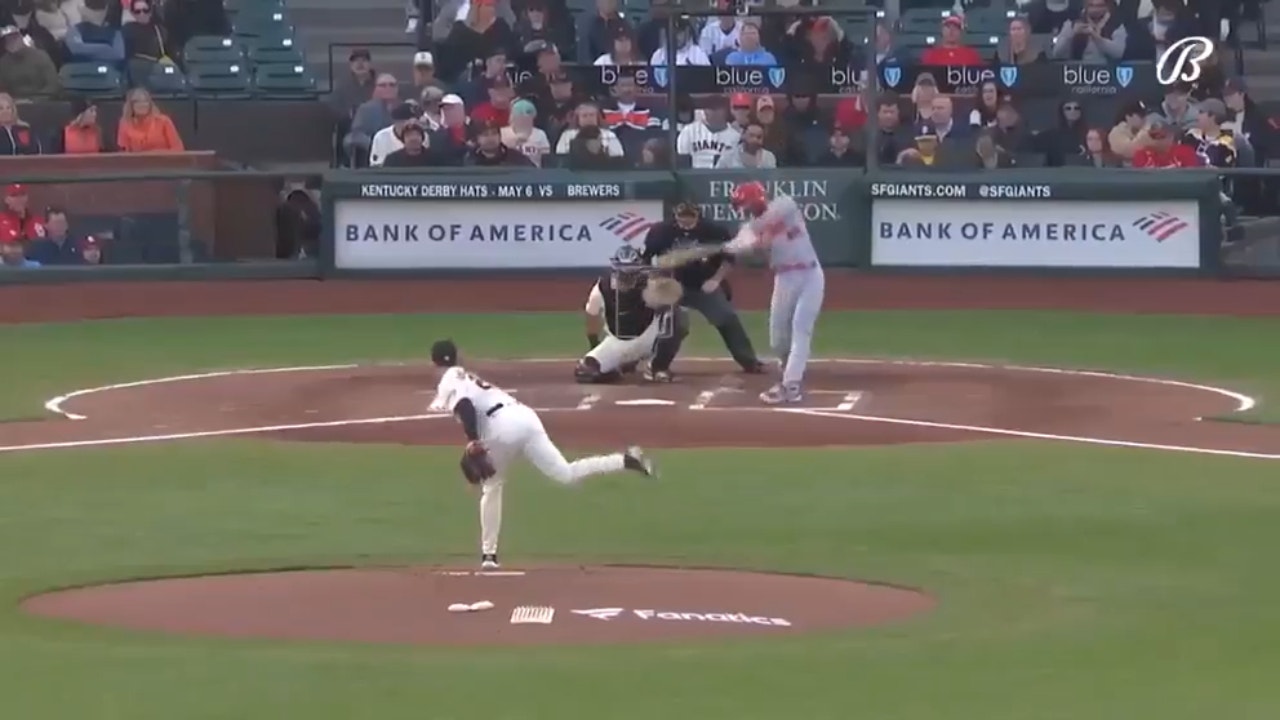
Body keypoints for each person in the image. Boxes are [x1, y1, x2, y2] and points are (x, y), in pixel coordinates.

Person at [426, 337, 654, 570]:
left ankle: (489, 556)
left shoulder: (449, 380)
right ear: (457, 355)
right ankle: (626, 460)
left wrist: (472, 439)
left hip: (500, 427)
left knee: (492, 487)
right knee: (565, 473)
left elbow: (464, 406)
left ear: (434, 363)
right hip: (526, 418)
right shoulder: (467, 375)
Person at [721, 181, 824, 404]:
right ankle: (789, 368)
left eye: (744, 204)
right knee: (778, 338)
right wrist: (739, 246)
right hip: (784, 278)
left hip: (811, 275)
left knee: (801, 329)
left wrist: (757, 236)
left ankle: (791, 385)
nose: (743, 210)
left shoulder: (784, 204)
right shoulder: (749, 228)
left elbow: (769, 221)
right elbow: (746, 242)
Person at [640, 202, 764, 376]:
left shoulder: (714, 231)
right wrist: (655, 279)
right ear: (675, 215)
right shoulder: (660, 231)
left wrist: (715, 280)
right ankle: (658, 365)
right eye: (681, 217)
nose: (685, 220)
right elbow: (646, 259)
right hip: (671, 286)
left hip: (703, 284)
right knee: (675, 325)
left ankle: (749, 361)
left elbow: (729, 259)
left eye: (689, 217)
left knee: (726, 317)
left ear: (698, 216)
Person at [576, 245, 688, 383]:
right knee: (585, 372)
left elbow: (673, 295)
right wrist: (594, 344)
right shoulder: (602, 286)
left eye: (630, 271)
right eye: (623, 271)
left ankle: (657, 367)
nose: (626, 275)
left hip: (649, 337)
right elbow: (591, 315)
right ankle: (622, 365)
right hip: (618, 342)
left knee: (679, 317)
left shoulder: (651, 281)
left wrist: (663, 276)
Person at [0, 23, 59, 98]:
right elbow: (2, 90)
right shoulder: (3, 63)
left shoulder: (40, 56)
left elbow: (53, 84)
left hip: (42, 102)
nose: (12, 42)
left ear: (21, 38)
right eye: (8, 39)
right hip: (14, 104)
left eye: (15, 38)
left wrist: (37, 99)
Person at [116, 87, 184, 152]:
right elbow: (124, 153)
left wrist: (155, 154)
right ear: (131, 105)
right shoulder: (124, 123)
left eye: (145, 101)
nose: (142, 105)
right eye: (137, 102)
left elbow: (178, 149)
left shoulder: (164, 121)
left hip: (164, 162)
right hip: (138, 163)